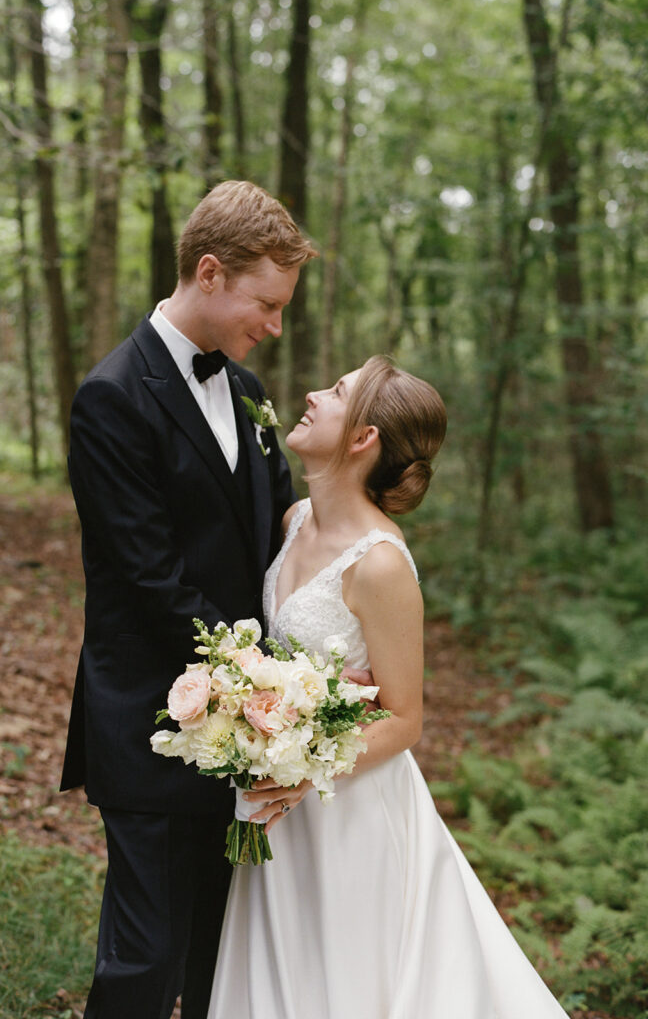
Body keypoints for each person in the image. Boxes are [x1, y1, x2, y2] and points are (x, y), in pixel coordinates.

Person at [208, 356, 570, 1018]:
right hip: (281, 806)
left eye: (338, 391)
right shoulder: (293, 523)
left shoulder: (379, 564)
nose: (314, 395)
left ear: (363, 438)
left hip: (351, 812)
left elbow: (406, 720)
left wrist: (306, 763)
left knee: (350, 984)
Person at [59, 180, 317, 1019]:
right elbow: (148, 574)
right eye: (267, 303)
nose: (275, 325)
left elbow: (278, 542)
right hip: (153, 725)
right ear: (210, 272)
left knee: (223, 958)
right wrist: (258, 680)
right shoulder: (111, 397)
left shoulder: (246, 394)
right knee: (145, 962)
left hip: (250, 735)